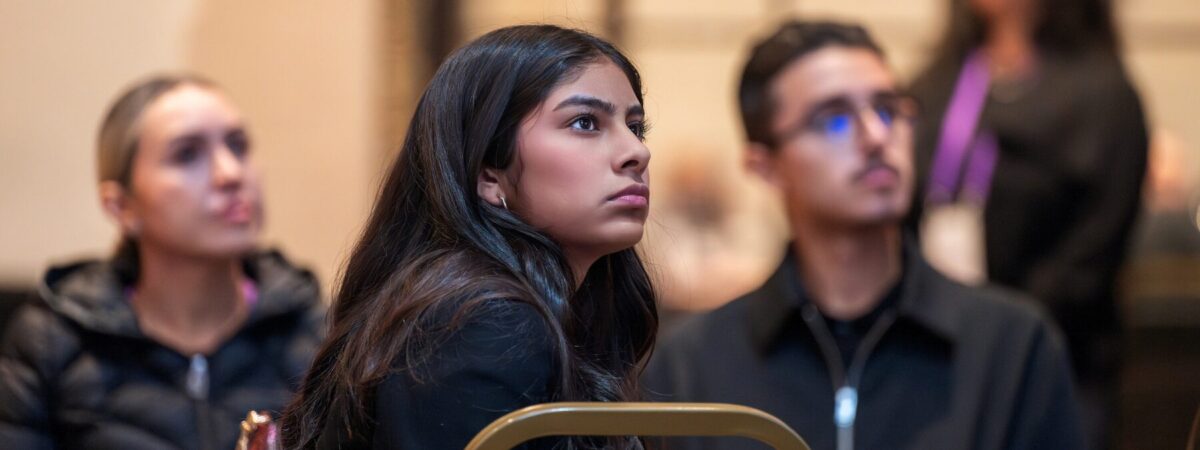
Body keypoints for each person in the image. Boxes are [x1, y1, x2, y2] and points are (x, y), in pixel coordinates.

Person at [643, 21, 1082, 450]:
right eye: (833, 120)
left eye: (889, 110)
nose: (876, 136)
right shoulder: (691, 369)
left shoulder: (1013, 349)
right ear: (766, 166)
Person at [281, 24, 656, 450]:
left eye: (636, 127)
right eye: (585, 122)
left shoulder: (525, 310)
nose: (636, 152)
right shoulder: (480, 323)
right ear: (487, 174)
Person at [0, 75, 325, 449]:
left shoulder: (317, 336)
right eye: (187, 154)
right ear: (121, 206)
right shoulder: (52, 344)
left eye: (238, 146)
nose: (231, 174)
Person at [907, 1, 1147, 447]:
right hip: (934, 353)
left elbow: (1096, 245)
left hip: (1058, 353)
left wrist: (1002, 329)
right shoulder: (939, 81)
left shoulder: (1101, 93)